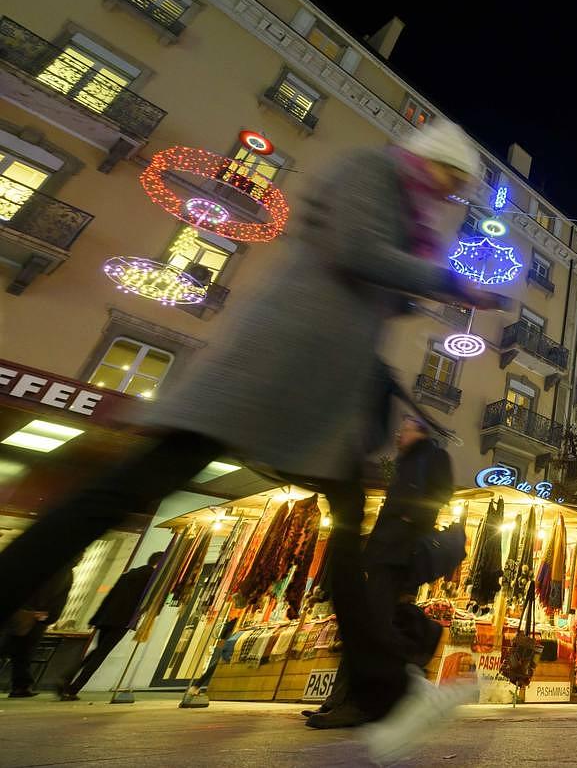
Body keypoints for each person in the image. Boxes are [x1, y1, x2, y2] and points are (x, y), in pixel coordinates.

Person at [0, 119, 506, 764]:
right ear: (426, 160)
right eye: (447, 175)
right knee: (125, 490)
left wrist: (412, 282)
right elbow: (354, 250)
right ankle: (388, 695)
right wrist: (454, 284)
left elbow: (369, 280)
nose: (447, 191)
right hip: (278, 369)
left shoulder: (401, 206)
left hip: (315, 386)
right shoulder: (370, 170)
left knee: (345, 532)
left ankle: (386, 694)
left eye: (456, 185)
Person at [307, 413, 455, 729]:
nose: (399, 434)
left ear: (420, 431)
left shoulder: (433, 456)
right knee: (365, 624)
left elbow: (441, 493)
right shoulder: (407, 462)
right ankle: (342, 699)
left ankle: (363, 701)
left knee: (368, 625)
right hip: (384, 553)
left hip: (399, 554)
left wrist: (410, 520)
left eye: (405, 428)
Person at [60, 552, 163, 701]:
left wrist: (97, 617)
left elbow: (109, 596)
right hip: (123, 620)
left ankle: (67, 678)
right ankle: (72, 688)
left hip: (106, 618)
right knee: (100, 654)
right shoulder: (153, 579)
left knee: (97, 651)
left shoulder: (128, 574)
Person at [2, 565, 72, 697]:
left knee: (10, 648)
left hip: (18, 613)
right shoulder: (66, 574)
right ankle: (21, 687)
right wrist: (49, 616)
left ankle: (21, 686)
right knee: (24, 653)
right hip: (37, 617)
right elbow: (59, 599)